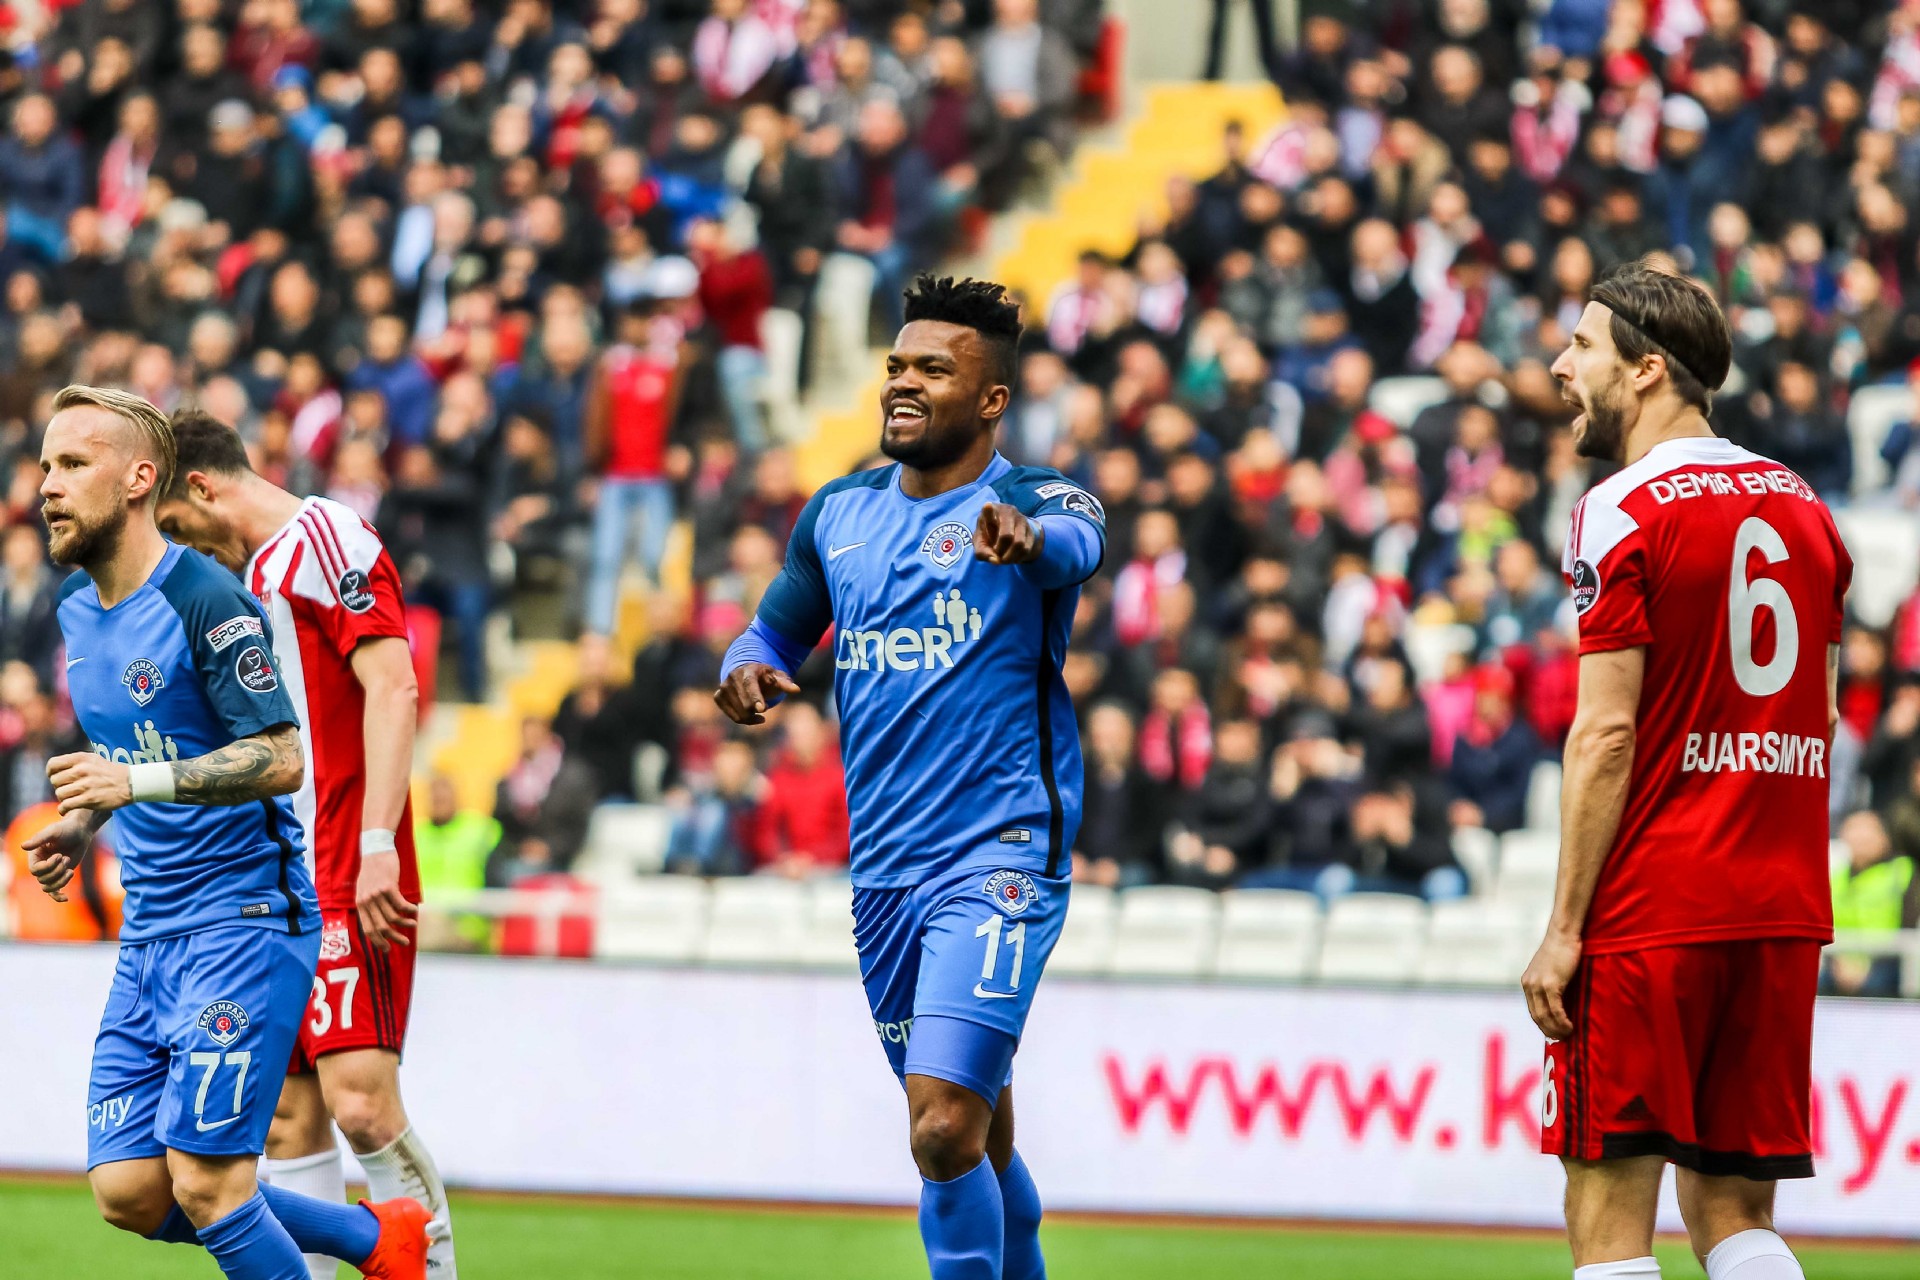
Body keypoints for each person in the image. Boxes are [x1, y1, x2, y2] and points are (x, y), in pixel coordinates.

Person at [716, 276, 1104, 1280]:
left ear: (991, 399)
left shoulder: (1035, 499)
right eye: (897, 364)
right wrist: (745, 668)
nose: (903, 382)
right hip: (885, 871)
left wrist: (1029, 542)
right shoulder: (837, 514)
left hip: (1000, 854)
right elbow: (772, 631)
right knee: (976, 1137)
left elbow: (1077, 542)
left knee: (939, 1127)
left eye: (934, 368)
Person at [25, 385, 427, 1279]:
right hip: (150, 932)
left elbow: (283, 756)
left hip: (241, 921)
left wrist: (133, 782)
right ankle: (376, 1240)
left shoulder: (208, 598)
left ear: (140, 480)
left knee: (211, 1184)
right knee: (131, 1190)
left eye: (74, 463)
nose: (48, 484)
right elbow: (141, 749)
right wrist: (88, 817)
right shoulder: (77, 612)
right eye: (46, 465)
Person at [1520, 263, 1851, 1280]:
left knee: (1608, 1216)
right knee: (1737, 1213)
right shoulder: (1807, 508)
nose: (1561, 365)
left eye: (1582, 345)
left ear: (1647, 369)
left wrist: (1565, 928)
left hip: (1654, 907)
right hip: (1777, 907)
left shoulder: (1620, 508)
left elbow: (1605, 734)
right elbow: (1821, 713)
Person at [155, 410, 458, 1278]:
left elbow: (393, 686)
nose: (181, 546)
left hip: (348, 862)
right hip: (275, 882)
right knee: (289, 1119)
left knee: (361, 1104)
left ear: (202, 487)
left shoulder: (327, 539)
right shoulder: (249, 577)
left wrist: (377, 843)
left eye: (176, 523)